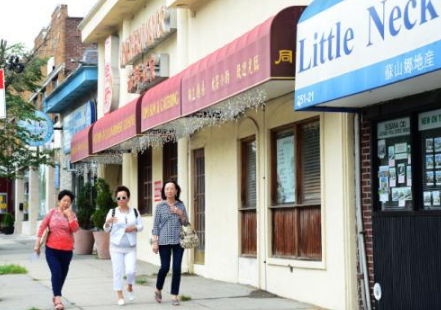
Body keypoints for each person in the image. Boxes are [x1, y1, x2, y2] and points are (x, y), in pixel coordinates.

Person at [34, 190, 79, 310]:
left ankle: (56, 295)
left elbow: (75, 229)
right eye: (64, 200)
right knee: (56, 273)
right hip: (52, 250)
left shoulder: (72, 215)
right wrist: (37, 244)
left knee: (62, 275)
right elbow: (42, 227)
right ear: (59, 201)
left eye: (69, 201)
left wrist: (69, 217)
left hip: (67, 250)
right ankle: (58, 299)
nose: (66, 203)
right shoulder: (52, 213)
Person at [104, 185, 144, 306]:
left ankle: (130, 287)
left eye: (123, 197)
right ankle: (120, 295)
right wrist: (107, 222)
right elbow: (106, 229)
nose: (121, 200)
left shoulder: (135, 212)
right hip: (116, 247)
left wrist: (134, 227)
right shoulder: (113, 212)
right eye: (118, 198)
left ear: (128, 198)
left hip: (130, 247)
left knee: (131, 271)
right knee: (118, 271)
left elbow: (141, 226)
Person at [152, 180, 189, 306]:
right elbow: (155, 226)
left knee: (177, 268)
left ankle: (174, 296)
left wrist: (180, 214)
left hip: (178, 241)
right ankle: (158, 288)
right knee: (165, 267)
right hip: (163, 241)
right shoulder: (159, 206)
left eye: (171, 188)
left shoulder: (181, 205)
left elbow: (185, 223)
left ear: (176, 191)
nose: (169, 191)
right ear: (164, 191)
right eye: (167, 189)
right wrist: (155, 242)